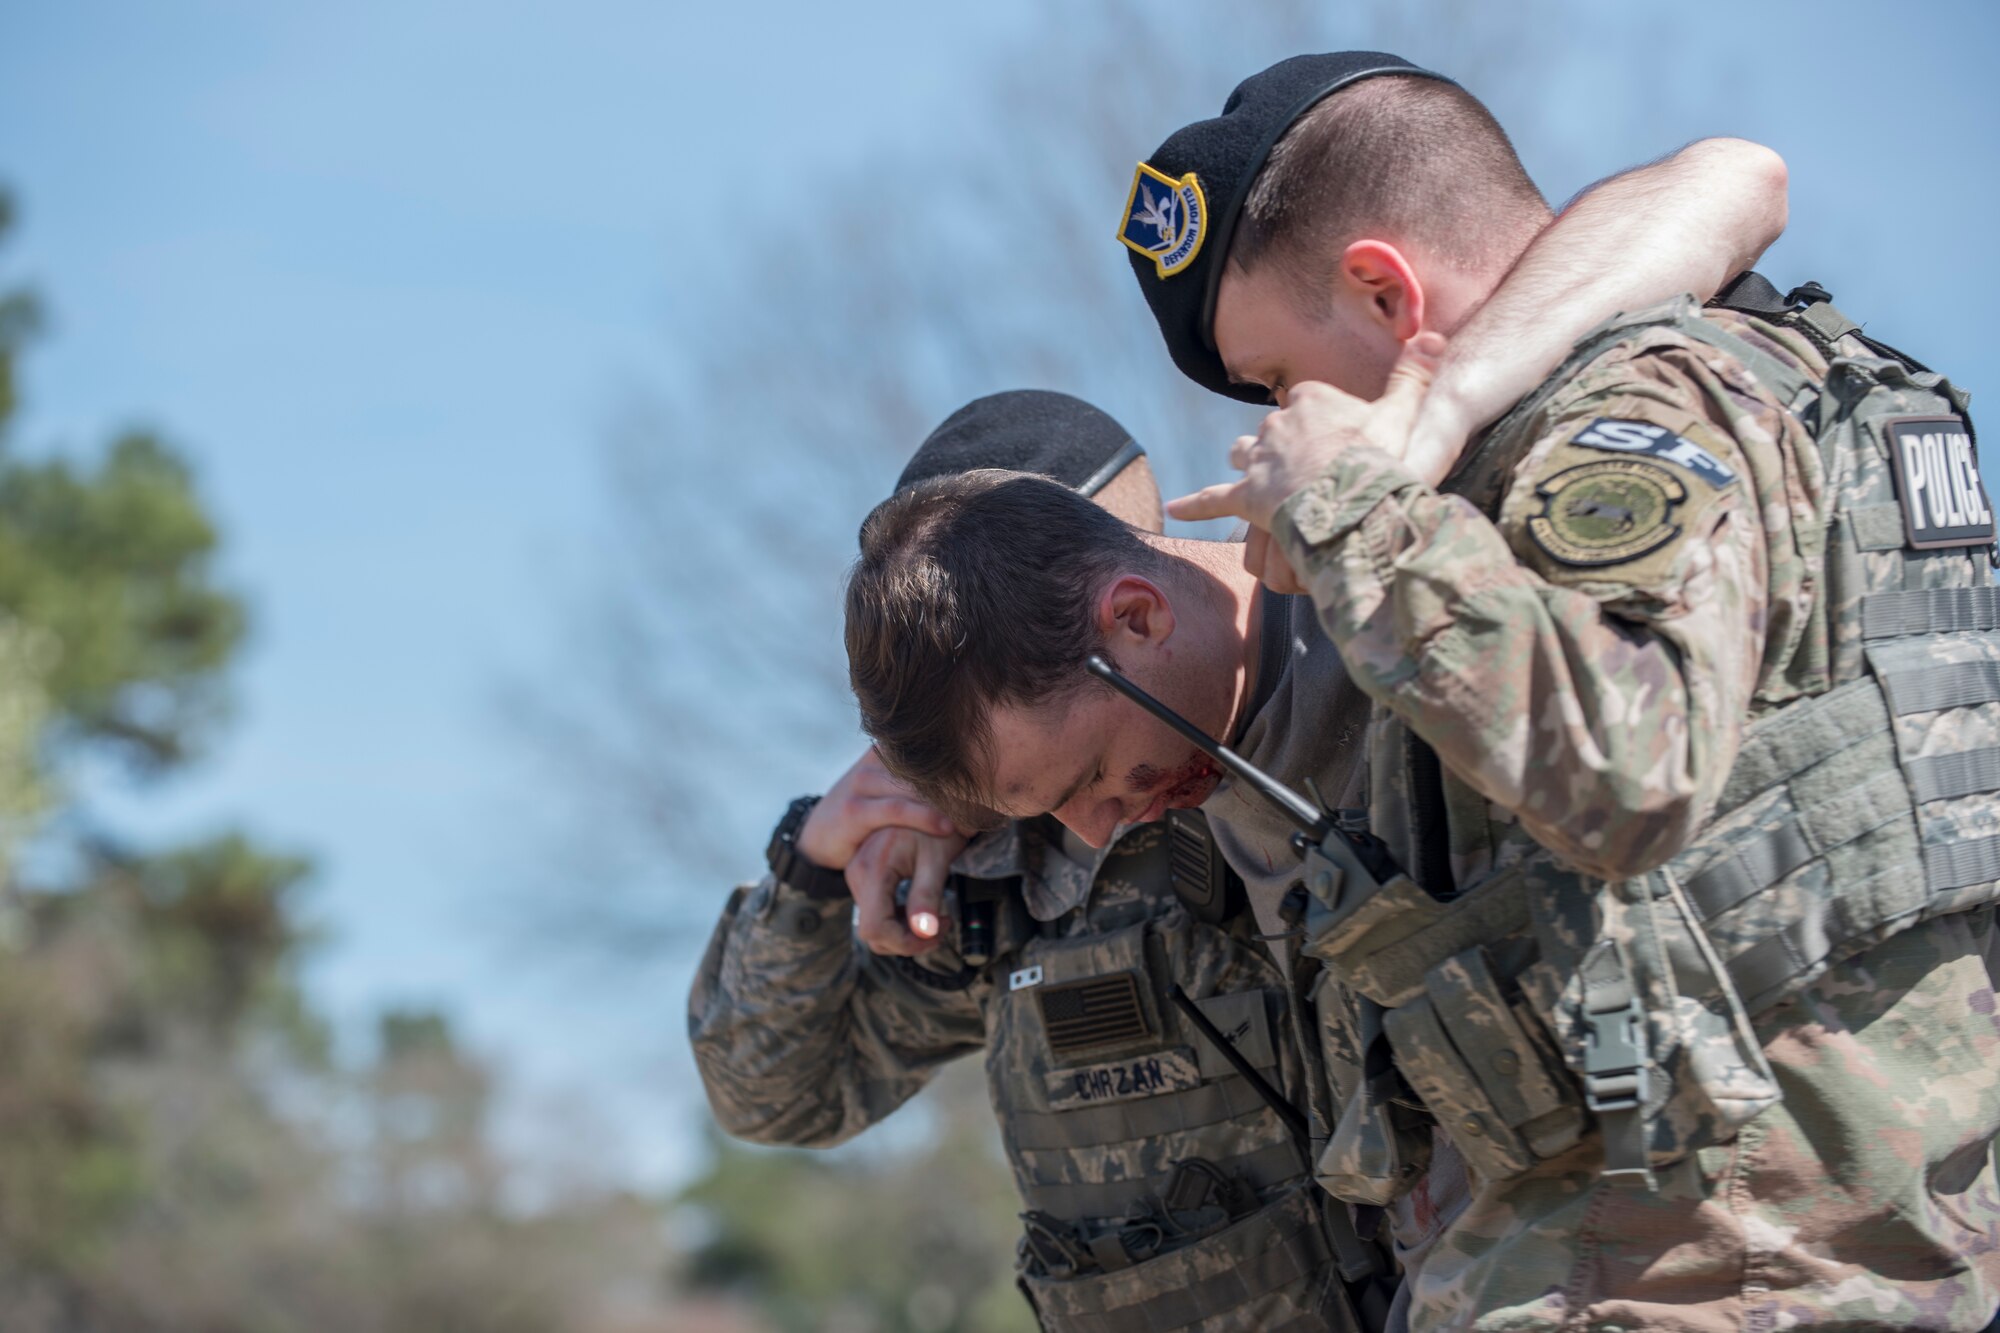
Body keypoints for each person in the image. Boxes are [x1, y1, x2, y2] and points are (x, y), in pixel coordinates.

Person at [1126, 52, 2000, 1331]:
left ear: (1379, 288)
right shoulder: (1736, 365)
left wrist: (1344, 503)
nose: (1277, 420)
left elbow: (1623, 767)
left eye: (1274, 382)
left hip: (1685, 1270)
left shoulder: (1624, 412)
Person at [690, 389, 1393, 1333]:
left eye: (1091, 770)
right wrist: (811, 867)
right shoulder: (994, 872)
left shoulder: (1328, 705)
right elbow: (775, 1096)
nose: (1096, 824)